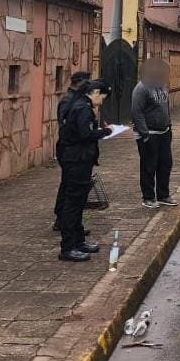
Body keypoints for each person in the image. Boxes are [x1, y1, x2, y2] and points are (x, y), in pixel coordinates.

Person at [58, 79, 111, 261]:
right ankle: (68, 247)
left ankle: (78, 241)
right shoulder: (82, 108)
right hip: (77, 160)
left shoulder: (81, 105)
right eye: (102, 97)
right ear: (95, 93)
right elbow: (86, 134)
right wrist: (106, 132)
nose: (101, 102)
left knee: (79, 202)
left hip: (79, 159)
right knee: (73, 204)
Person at [132, 58, 176, 209]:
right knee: (149, 166)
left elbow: (166, 107)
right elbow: (137, 112)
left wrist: (169, 126)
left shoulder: (162, 86)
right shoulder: (141, 88)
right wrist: (145, 134)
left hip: (164, 132)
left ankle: (163, 195)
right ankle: (148, 197)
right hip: (149, 134)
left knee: (165, 164)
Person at [53, 70, 91, 233]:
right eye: (87, 82)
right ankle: (63, 220)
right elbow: (67, 125)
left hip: (72, 148)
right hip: (69, 149)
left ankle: (66, 221)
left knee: (68, 184)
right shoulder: (69, 100)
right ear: (79, 83)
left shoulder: (76, 99)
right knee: (69, 186)